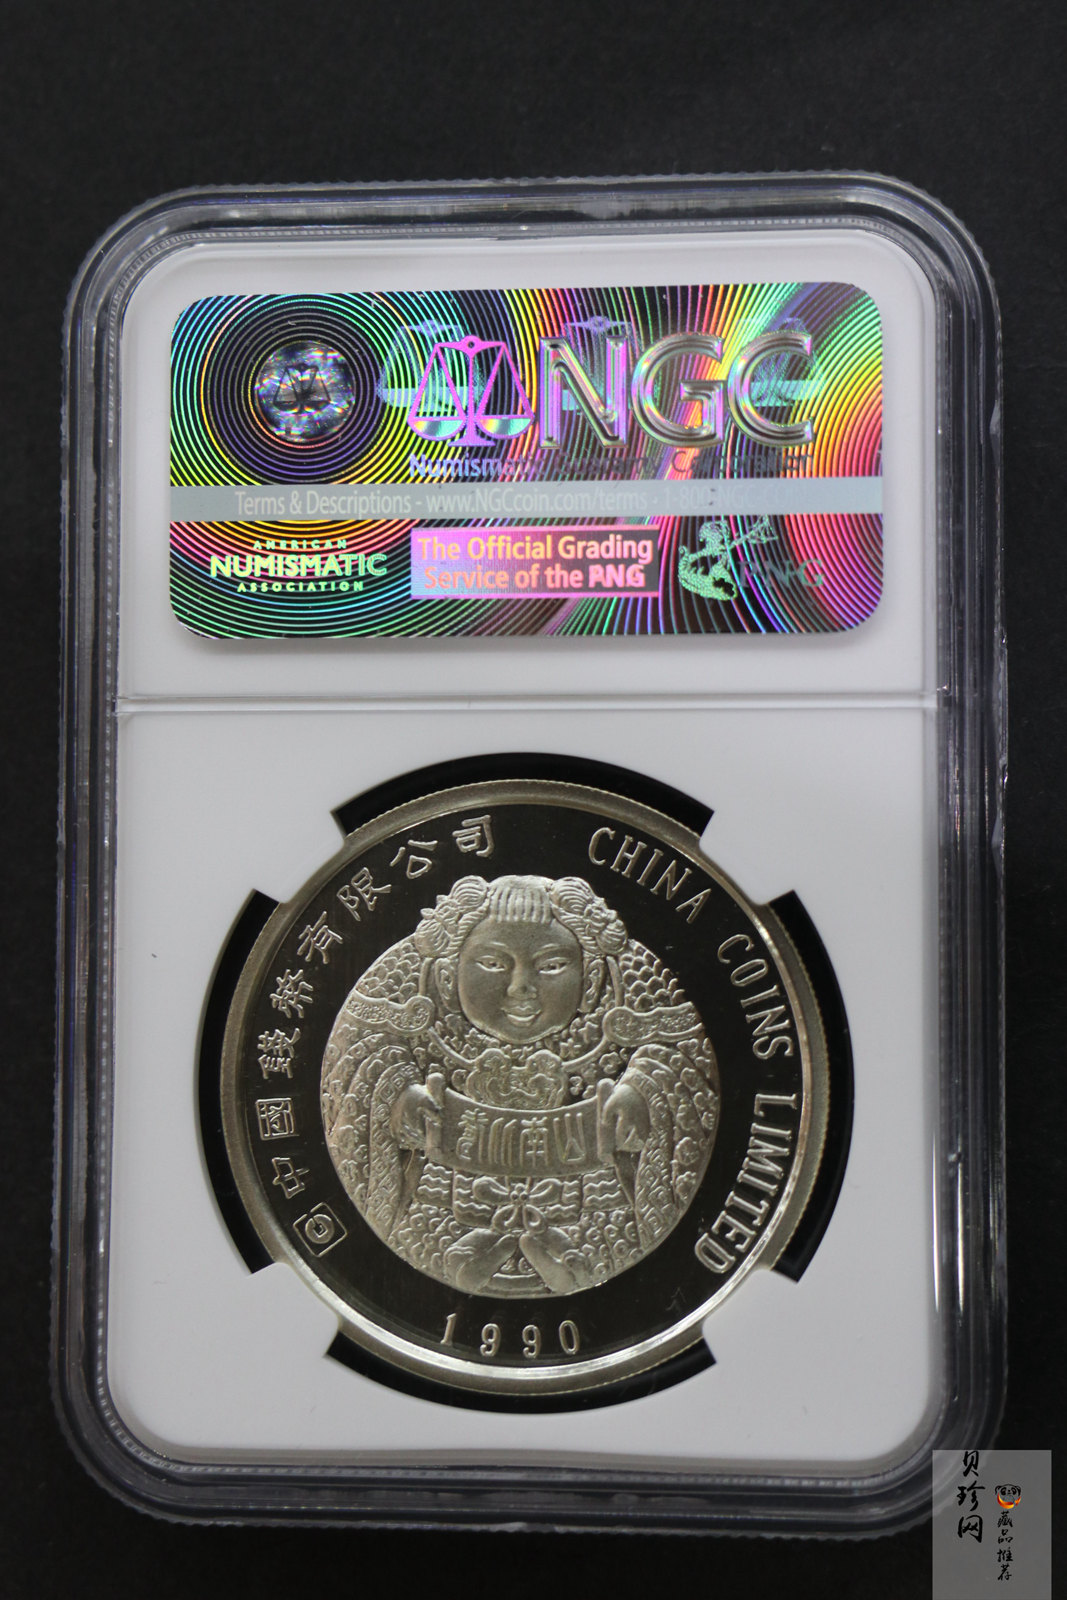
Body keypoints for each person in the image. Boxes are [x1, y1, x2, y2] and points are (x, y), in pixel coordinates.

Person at [321, 874, 719, 1296]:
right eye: (493, 964)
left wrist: (643, 1089)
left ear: (591, 980)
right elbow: (362, 1051)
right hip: (437, 1214)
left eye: (551, 966)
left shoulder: (618, 1036)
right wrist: (397, 1092)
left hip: (596, 1214)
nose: (520, 988)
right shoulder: (414, 1036)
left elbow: (678, 1053)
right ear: (447, 977)